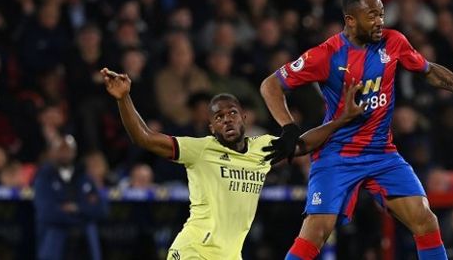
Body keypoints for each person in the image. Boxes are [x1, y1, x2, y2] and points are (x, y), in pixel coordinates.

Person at [259, 0, 453, 260]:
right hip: (337, 154)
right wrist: (288, 127)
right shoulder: (327, 55)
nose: (380, 21)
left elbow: (428, 71)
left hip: (382, 153)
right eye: (372, 15)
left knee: (425, 220)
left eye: (381, 14)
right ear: (350, 20)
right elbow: (271, 85)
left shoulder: (393, 42)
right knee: (317, 232)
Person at [100, 68, 364, 260]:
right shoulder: (200, 150)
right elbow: (143, 137)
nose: (226, 120)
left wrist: (341, 120)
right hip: (194, 252)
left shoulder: (262, 150)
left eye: (232, 113)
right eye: (219, 116)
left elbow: (304, 144)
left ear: (244, 118)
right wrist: (124, 98)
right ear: (211, 126)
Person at [33, 134, 108, 260]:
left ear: (74, 152)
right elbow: (46, 212)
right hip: (55, 238)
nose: (64, 153)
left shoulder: (85, 177)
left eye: (68, 149)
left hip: (83, 240)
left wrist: (75, 208)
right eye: (60, 150)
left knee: (90, 230)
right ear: (52, 152)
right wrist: (82, 213)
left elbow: (101, 209)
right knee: (54, 231)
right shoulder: (43, 178)